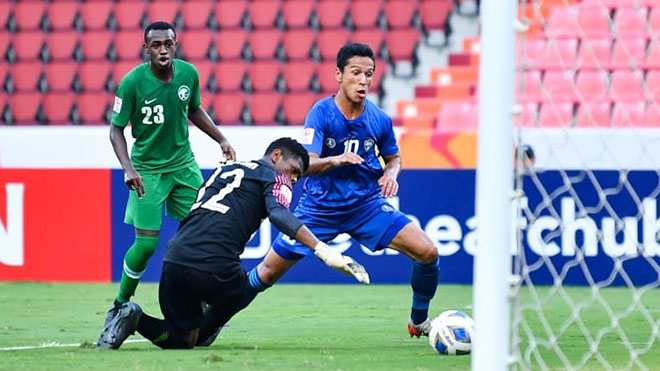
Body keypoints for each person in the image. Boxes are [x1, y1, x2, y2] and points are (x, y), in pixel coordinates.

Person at [219, 43, 440, 341]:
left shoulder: (380, 120)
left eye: (369, 74)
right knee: (267, 273)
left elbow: (394, 156)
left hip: (366, 206)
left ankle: (419, 320)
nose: (363, 80)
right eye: (356, 73)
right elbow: (304, 164)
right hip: (318, 209)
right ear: (339, 74)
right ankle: (215, 319)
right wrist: (336, 159)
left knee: (428, 251)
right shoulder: (321, 114)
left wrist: (391, 173)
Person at [97, 138, 370, 350]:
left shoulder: (224, 168)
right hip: (215, 268)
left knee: (183, 339)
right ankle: (208, 324)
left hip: (175, 261)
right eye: (294, 170)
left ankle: (134, 316)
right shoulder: (276, 178)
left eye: (298, 176)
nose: (294, 179)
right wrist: (322, 249)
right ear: (276, 156)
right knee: (247, 288)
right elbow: (279, 213)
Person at [100, 21, 236, 338]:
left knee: (203, 235)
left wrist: (221, 138)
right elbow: (115, 129)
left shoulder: (188, 75)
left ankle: (204, 307)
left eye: (168, 44)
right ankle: (120, 304)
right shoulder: (132, 83)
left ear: (176, 44)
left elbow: (195, 109)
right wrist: (128, 168)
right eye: (156, 45)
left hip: (183, 166)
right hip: (146, 170)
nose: (163, 49)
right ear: (146, 48)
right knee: (146, 245)